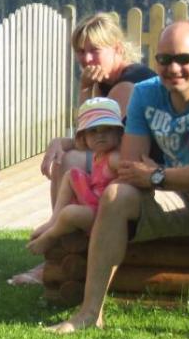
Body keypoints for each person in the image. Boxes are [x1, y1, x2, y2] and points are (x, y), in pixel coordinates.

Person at [48, 20, 189, 339]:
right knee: (115, 194)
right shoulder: (146, 93)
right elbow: (130, 167)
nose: (173, 68)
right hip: (169, 194)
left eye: (184, 59)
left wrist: (159, 175)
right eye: (164, 59)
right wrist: (159, 176)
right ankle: (90, 312)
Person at [11, 12, 153, 285]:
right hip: (121, 167)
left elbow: (93, 139)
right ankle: (60, 245)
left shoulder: (127, 83)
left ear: (117, 49)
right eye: (80, 51)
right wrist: (85, 90)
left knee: (71, 160)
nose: (86, 59)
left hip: (141, 174)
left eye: (94, 50)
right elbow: (90, 134)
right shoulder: (105, 81)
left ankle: (57, 249)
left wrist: (63, 140)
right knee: (70, 157)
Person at [24, 97, 125, 255]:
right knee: (72, 174)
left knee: (70, 213)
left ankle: (51, 235)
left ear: (118, 133)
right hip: (93, 202)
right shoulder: (99, 154)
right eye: (93, 131)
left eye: (107, 129)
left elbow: (128, 172)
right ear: (83, 137)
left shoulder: (114, 158)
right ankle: (53, 220)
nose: (100, 135)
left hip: (104, 212)